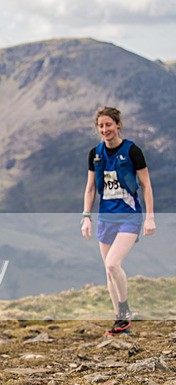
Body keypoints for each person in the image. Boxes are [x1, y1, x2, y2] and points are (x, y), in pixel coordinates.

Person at [81, 106, 155, 335]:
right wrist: (86, 217)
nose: (105, 130)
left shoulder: (132, 151)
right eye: (101, 126)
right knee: (109, 272)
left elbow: (146, 185)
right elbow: (90, 189)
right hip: (106, 218)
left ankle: (124, 310)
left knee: (113, 264)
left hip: (129, 217)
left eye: (109, 125)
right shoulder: (95, 154)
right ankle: (120, 323)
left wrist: (150, 217)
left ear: (118, 125)